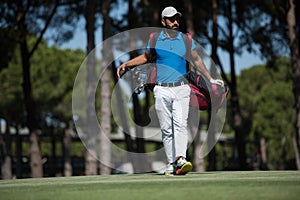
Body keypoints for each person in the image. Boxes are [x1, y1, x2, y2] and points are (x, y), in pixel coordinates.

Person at [117, 6, 224, 176]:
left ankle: (181, 159)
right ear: (163, 21)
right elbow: (146, 57)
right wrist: (127, 64)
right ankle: (171, 164)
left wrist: (210, 79)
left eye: (177, 19)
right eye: (171, 19)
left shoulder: (186, 39)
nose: (175, 22)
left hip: (182, 89)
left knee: (180, 125)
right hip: (161, 90)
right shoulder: (154, 39)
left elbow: (196, 60)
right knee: (167, 130)